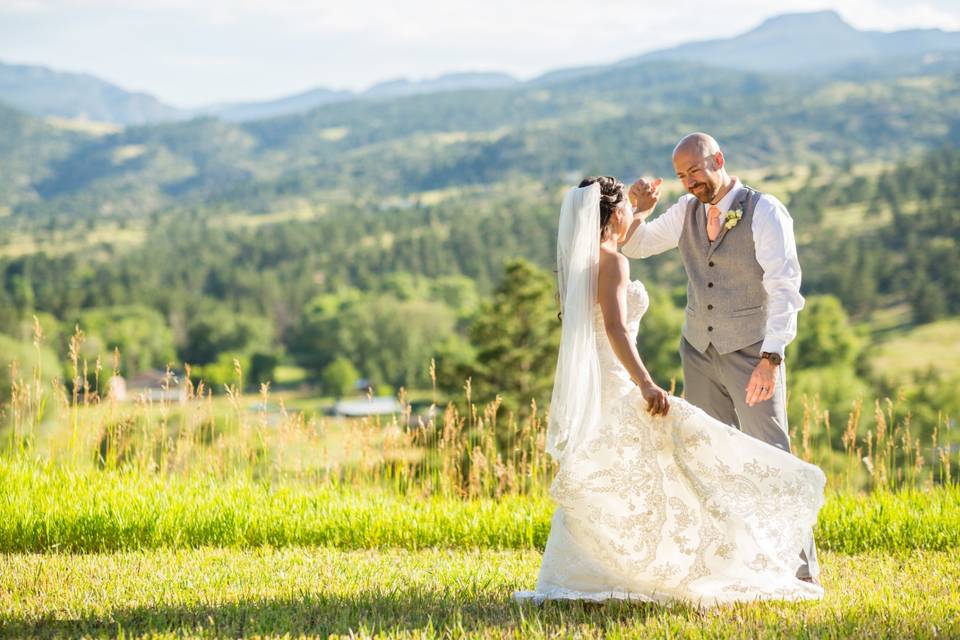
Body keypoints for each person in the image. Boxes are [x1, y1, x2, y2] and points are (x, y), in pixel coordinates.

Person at [514, 176, 825, 608]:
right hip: (621, 380)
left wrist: (637, 209)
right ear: (613, 214)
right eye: (625, 206)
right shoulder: (614, 263)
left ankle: (594, 570)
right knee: (673, 466)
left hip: (602, 382)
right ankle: (686, 564)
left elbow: (623, 252)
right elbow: (616, 328)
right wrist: (646, 382)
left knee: (612, 476)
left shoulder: (582, 263)